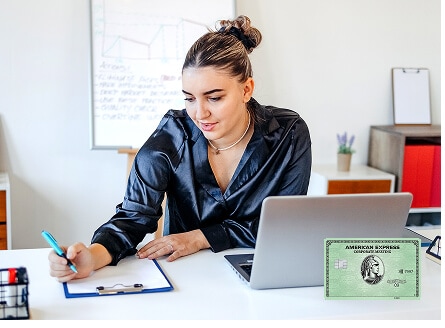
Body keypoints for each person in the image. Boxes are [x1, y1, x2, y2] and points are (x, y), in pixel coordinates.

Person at [48, 15, 312, 282]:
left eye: (214, 97)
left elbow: (283, 230)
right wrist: (91, 258)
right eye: (189, 98)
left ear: (247, 90)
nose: (200, 113)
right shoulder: (170, 140)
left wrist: (200, 237)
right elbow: (132, 219)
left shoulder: (289, 135)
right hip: (187, 279)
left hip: (263, 275)